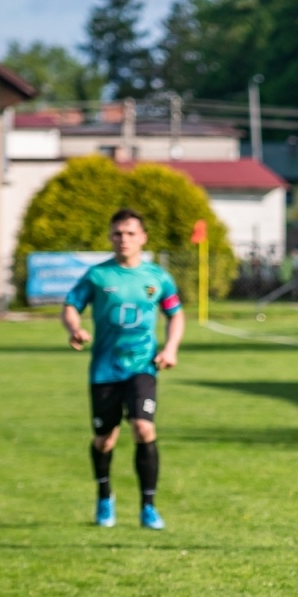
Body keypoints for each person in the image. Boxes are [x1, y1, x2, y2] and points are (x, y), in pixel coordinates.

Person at [61, 209, 185, 530]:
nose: (124, 239)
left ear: (143, 238)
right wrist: (74, 328)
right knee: (104, 439)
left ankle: (148, 506)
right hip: (104, 369)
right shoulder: (98, 276)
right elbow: (71, 305)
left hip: (142, 366)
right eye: (117, 233)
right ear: (110, 237)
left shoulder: (157, 277)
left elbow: (176, 314)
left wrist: (170, 348)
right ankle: (104, 497)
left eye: (130, 233)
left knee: (144, 428)